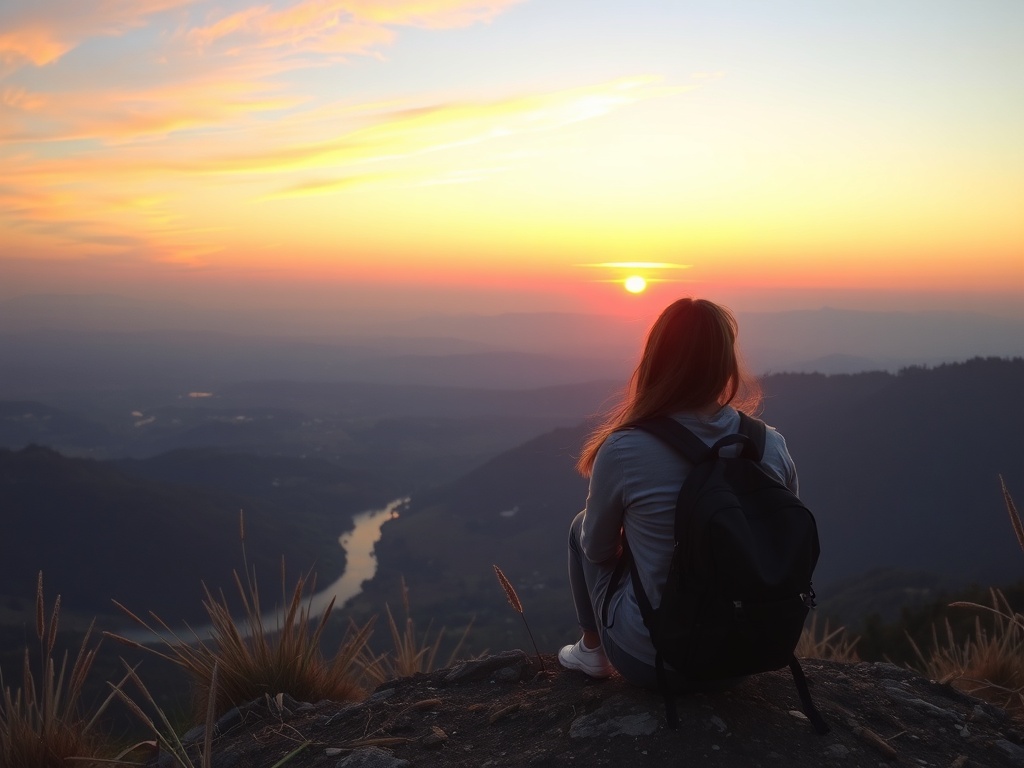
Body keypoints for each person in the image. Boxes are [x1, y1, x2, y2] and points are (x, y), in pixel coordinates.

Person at [559, 297, 800, 689]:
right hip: (745, 659)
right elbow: (779, 541)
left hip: (654, 661)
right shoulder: (770, 445)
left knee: (581, 528)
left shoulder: (624, 449)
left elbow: (598, 552)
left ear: (656, 360)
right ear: (726, 364)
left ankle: (593, 652)